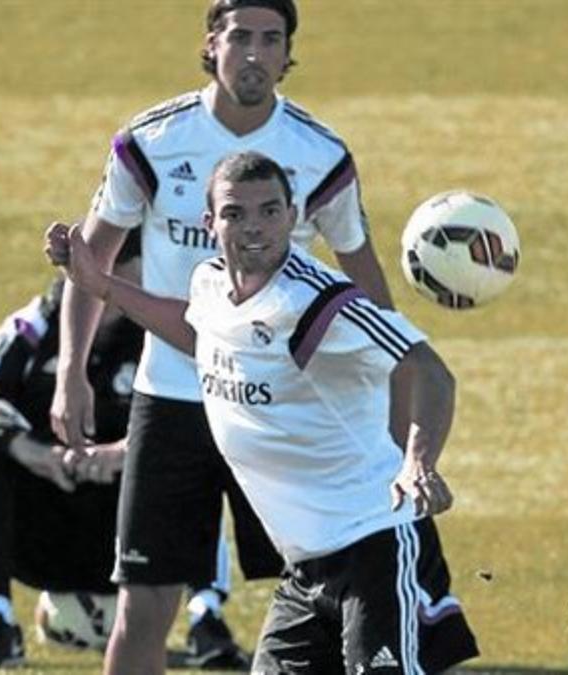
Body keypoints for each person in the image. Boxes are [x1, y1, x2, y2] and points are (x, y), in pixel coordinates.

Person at [50, 1, 395, 672]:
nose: (256, 54)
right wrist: (72, 370)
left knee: (324, 590)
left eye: (273, 39)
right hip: (173, 399)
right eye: (242, 37)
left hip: (280, 406)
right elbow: (88, 264)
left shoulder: (320, 156)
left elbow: (365, 280)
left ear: (289, 52)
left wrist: (385, 390)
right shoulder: (152, 141)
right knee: (144, 607)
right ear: (213, 43)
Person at [47, 151, 478, 673]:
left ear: (293, 217)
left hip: (376, 547)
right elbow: (197, 329)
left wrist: (418, 460)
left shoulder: (320, 302)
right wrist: (103, 286)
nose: (255, 227)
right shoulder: (210, 283)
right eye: (235, 213)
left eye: (270, 211)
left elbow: (429, 370)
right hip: (305, 568)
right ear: (209, 223)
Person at [0, 233, 250, 670]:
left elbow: (215, 407)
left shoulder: (159, 333)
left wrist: (124, 455)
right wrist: (31, 450)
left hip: (133, 536)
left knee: (199, 455)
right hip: (40, 532)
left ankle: (207, 618)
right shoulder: (33, 327)